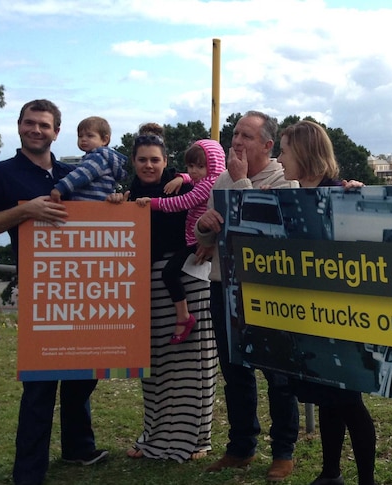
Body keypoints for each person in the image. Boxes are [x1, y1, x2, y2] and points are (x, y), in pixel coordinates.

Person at [0, 99, 108, 485]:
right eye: (30, 123)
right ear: (19, 126)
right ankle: (28, 472)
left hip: (82, 291)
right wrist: (26, 210)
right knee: (40, 387)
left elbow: (106, 213)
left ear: (56, 132)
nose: (36, 130)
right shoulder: (0, 174)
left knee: (83, 376)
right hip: (40, 292)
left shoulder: (73, 172)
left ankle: (80, 448)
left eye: (45, 125)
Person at [194, 111, 301, 481]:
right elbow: (207, 239)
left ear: (268, 146)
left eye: (246, 137)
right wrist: (203, 228)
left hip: (267, 292)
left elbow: (264, 232)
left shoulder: (288, 180)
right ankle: (241, 447)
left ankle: (283, 451)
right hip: (223, 286)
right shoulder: (221, 179)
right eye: (235, 134)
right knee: (235, 371)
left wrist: (240, 184)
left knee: (278, 374)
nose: (236, 142)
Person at [108, 124, 218, 462]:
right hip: (147, 286)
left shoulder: (183, 185)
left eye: (155, 159)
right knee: (154, 366)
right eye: (142, 159)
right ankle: (152, 436)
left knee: (193, 365)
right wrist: (113, 204)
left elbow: (216, 204)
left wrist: (209, 242)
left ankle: (197, 439)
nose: (148, 166)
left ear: (165, 160)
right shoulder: (128, 194)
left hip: (188, 280)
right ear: (134, 161)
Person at [277, 120, 377, 485]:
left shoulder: (342, 194)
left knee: (350, 404)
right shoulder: (292, 196)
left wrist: (359, 196)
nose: (280, 158)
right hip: (311, 317)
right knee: (326, 398)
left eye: (284, 150)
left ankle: (366, 479)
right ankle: (330, 472)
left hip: (343, 319)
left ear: (303, 153)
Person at [133, 139, 225, 344]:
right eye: (190, 166)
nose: (194, 172)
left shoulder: (207, 185)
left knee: (169, 272)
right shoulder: (205, 181)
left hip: (195, 241)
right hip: (192, 238)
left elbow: (182, 202)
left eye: (200, 166)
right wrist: (182, 178)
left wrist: (153, 203)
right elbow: (193, 181)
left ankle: (184, 316)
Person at [49, 116, 127, 203]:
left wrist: (60, 188)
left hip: (91, 204)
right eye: (80, 136)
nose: (83, 139)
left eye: (90, 136)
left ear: (105, 140)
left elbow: (81, 174)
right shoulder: (102, 158)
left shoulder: (97, 158)